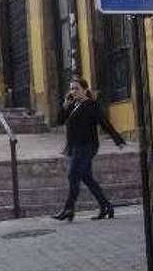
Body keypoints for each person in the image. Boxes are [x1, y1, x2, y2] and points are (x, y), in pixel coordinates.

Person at [53, 78, 125, 222]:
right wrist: (65, 105)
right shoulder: (73, 105)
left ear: (85, 90)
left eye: (77, 88)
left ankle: (69, 209)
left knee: (73, 175)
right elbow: (59, 121)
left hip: (88, 145)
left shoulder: (91, 105)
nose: (73, 91)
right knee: (87, 178)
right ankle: (106, 206)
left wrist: (117, 139)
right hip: (75, 146)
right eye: (72, 89)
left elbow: (104, 123)